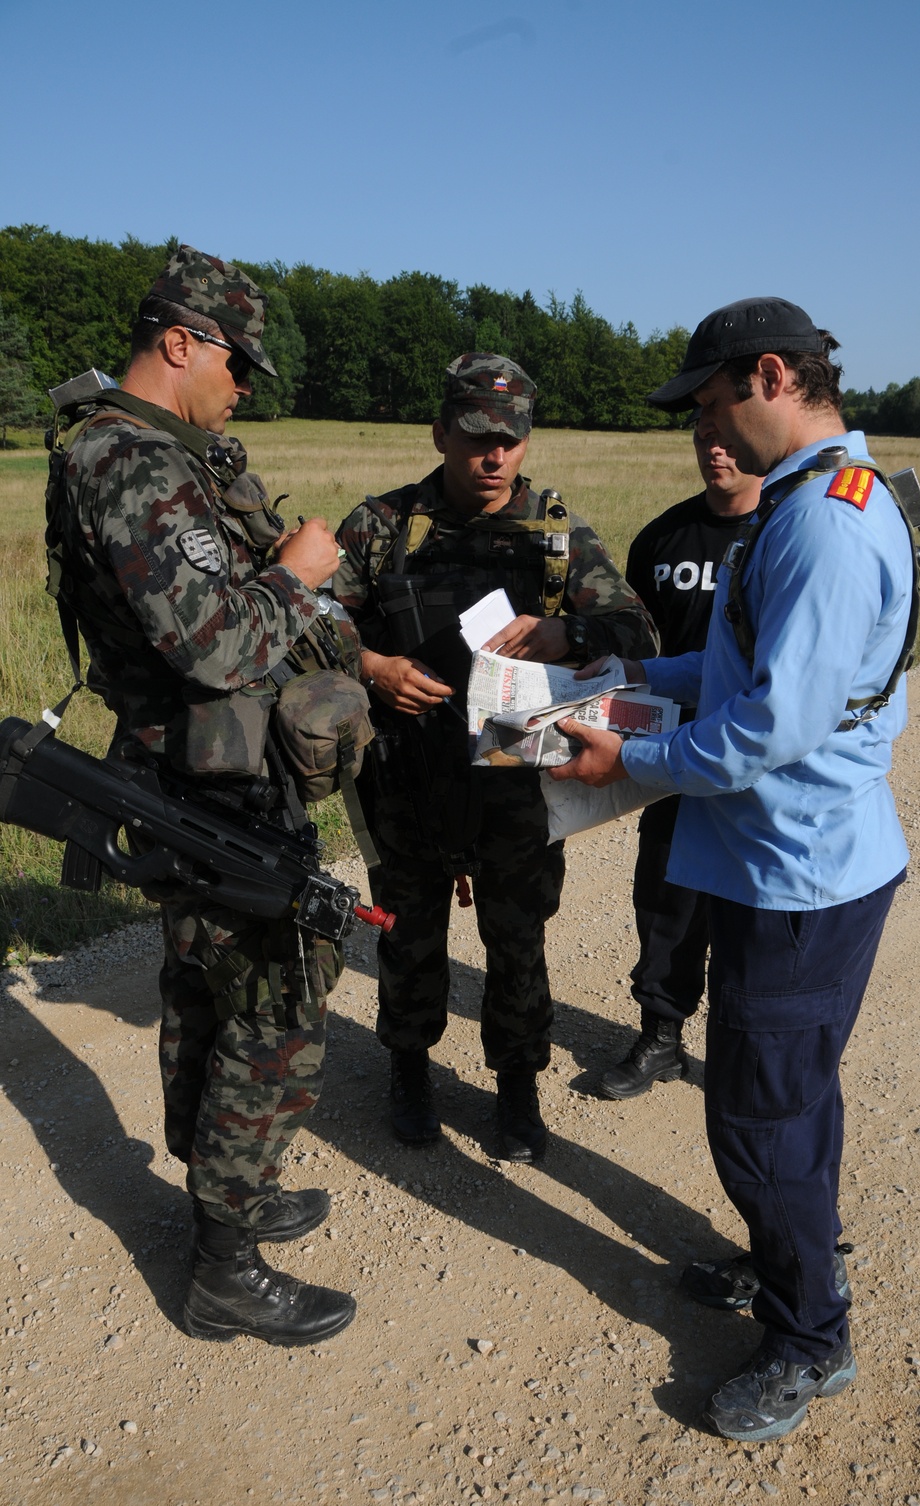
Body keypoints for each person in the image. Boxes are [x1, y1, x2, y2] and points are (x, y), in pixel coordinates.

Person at [550, 297, 914, 1440]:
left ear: (769, 376)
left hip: (798, 874)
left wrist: (630, 756)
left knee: (758, 1118)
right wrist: (639, 668)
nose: (704, 425)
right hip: (789, 859)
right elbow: (745, 661)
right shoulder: (809, 500)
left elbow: (770, 728)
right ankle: (790, 1258)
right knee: (789, 1098)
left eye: (710, 401)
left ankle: (811, 1337)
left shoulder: (823, 522)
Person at [51, 246, 357, 1346]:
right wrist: (298, 575)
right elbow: (215, 645)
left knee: (210, 985)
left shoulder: (154, 453)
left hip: (208, 767)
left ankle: (225, 1189)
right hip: (208, 776)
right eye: (237, 364)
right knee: (271, 997)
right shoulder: (131, 462)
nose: (244, 387)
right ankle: (225, 1262)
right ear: (179, 341)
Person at [333, 354, 657, 1162]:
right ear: (442, 431)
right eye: (477, 436)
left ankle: (517, 1084)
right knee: (408, 935)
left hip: (516, 772)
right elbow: (304, 625)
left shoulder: (555, 535)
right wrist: (373, 668)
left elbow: (638, 631)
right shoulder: (380, 527)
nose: (494, 457)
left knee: (519, 942)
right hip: (406, 773)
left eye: (510, 440)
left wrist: (570, 632)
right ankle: (409, 1070)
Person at [599, 428, 760, 1099]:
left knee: (751, 910)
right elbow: (643, 649)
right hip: (669, 752)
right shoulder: (662, 539)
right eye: (703, 439)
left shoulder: (779, 537)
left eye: (726, 438)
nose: (714, 450)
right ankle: (661, 1035)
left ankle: (747, 1055)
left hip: (753, 755)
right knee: (665, 899)